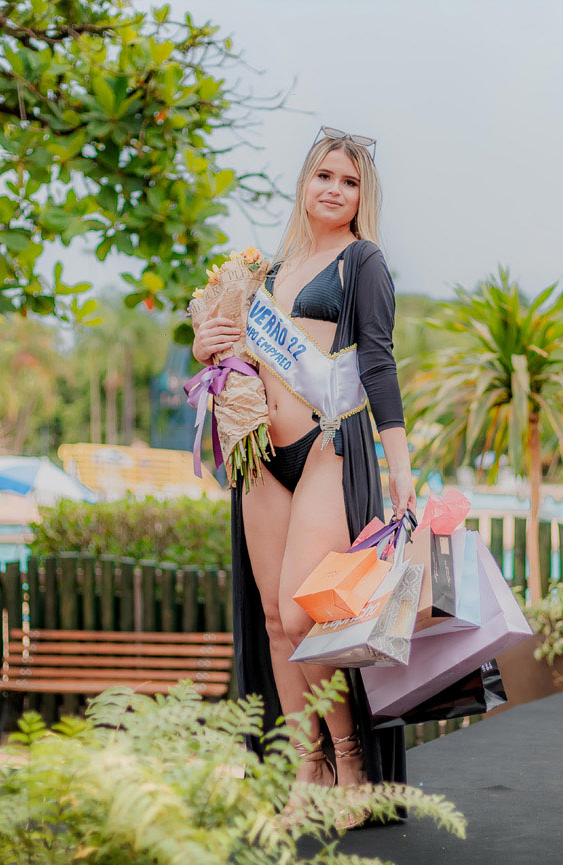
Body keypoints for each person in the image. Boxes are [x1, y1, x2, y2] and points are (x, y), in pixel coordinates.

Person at [191, 127, 415, 828]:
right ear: (305, 182)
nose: (334, 190)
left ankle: (352, 765)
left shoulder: (362, 262)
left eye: (349, 182)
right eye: (324, 176)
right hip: (261, 453)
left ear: (362, 196)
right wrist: (204, 344)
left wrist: (400, 467)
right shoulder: (270, 270)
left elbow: (377, 362)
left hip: (326, 444)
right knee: (271, 619)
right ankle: (305, 770)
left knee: (306, 613)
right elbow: (231, 355)